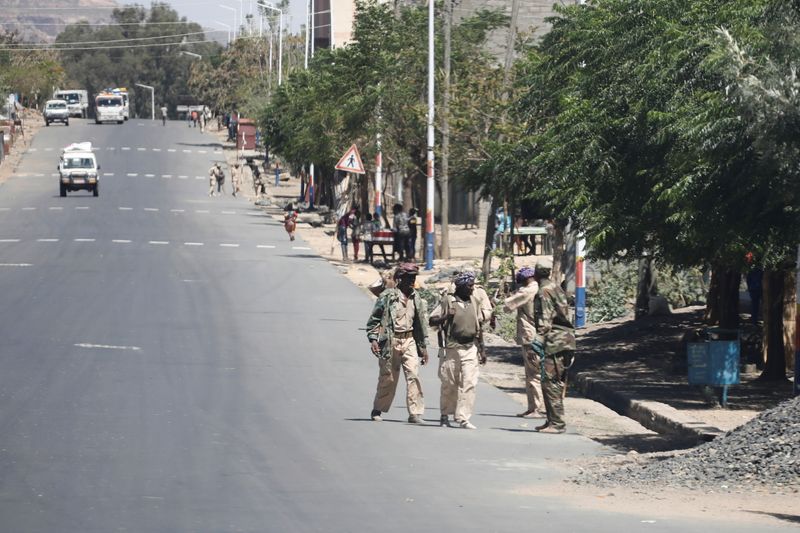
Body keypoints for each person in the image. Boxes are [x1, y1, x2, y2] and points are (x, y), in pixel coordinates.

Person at [366, 263, 429, 424]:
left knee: (414, 375)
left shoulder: (417, 298)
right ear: (400, 279)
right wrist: (374, 339)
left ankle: (415, 413)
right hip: (391, 340)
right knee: (389, 378)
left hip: (409, 341)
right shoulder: (388, 296)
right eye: (408, 278)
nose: (411, 281)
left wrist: (423, 347)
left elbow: (420, 324)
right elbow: (374, 320)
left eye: (413, 278)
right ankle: (378, 409)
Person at [429, 272, 492, 429]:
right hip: (452, 349)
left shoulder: (474, 301)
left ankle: (463, 417)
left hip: (470, 348)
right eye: (470, 286)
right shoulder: (448, 301)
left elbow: (478, 327)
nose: (472, 289)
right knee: (449, 383)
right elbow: (432, 320)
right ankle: (445, 415)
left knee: (469, 383)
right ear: (462, 287)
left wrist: (482, 350)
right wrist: (446, 317)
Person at [532, 257, 576, 434]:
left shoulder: (544, 291)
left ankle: (557, 423)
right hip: (564, 339)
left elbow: (545, 319)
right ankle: (551, 420)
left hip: (555, 341)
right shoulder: (556, 287)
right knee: (550, 381)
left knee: (551, 382)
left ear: (536, 273)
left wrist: (537, 342)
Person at [503, 266, 544, 418]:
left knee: (533, 374)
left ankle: (536, 409)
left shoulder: (527, 291)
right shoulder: (541, 288)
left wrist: (510, 293)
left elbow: (507, 306)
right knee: (532, 373)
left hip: (530, 336)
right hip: (540, 335)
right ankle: (532, 407)